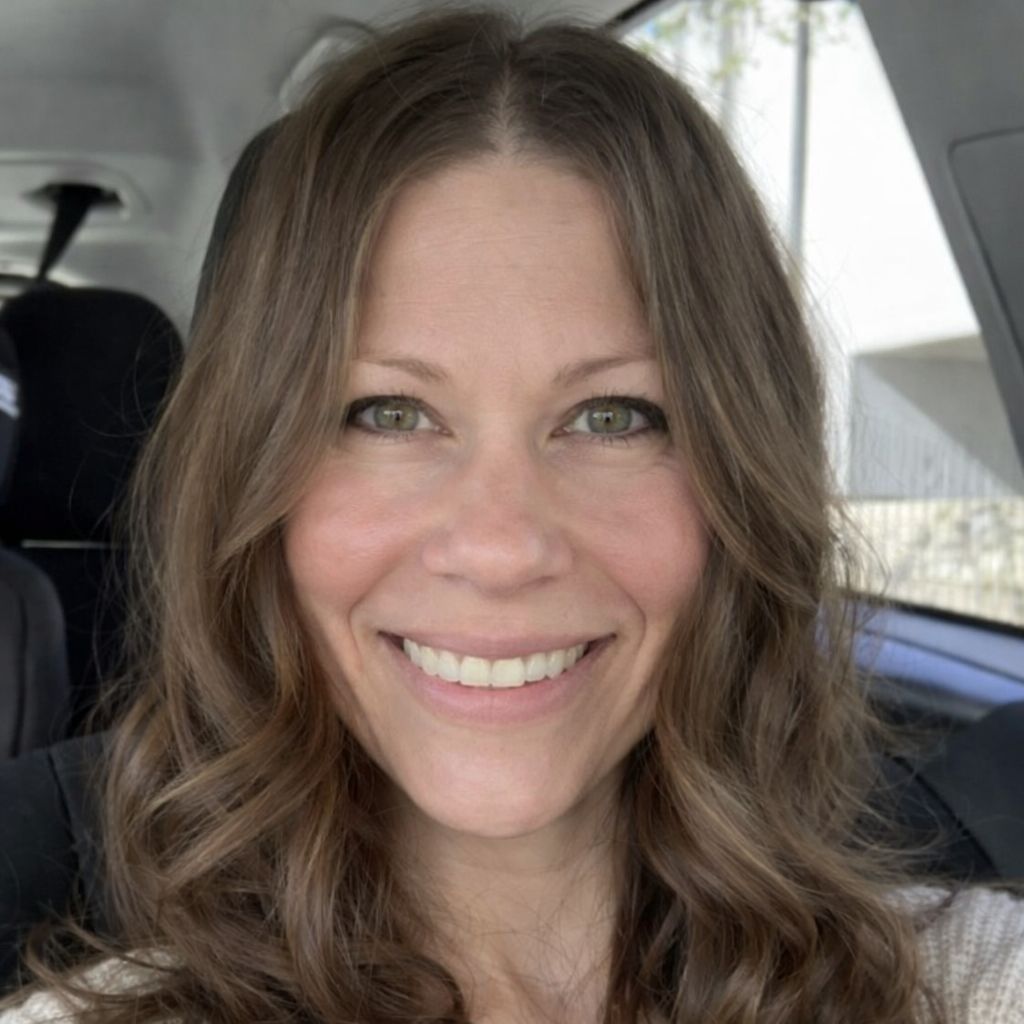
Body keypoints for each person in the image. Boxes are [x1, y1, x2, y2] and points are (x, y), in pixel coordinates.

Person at [2, 6, 1023, 1023]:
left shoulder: (964, 984)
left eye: (611, 416)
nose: (499, 547)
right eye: (388, 414)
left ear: (739, 478)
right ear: (253, 486)